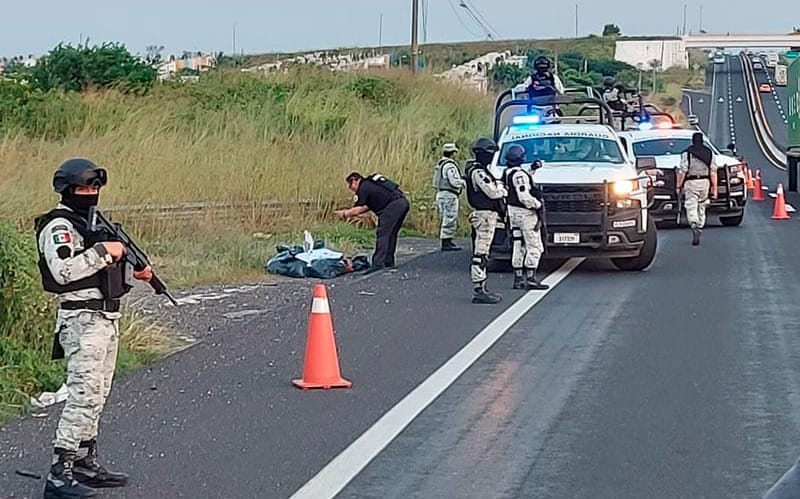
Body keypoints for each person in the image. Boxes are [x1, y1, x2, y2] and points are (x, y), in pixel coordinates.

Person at [34, 158, 153, 499]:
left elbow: (106, 272)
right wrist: (104, 252)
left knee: (98, 394)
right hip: (81, 320)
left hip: (105, 319)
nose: (91, 194)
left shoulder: (92, 223)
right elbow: (63, 272)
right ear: (67, 190)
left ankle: (85, 461)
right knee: (82, 396)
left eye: (95, 188)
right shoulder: (59, 226)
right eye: (84, 188)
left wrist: (134, 269)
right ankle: (59, 473)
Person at [335, 172, 410, 273]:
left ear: (355, 180)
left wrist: (344, 213)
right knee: (391, 233)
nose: (350, 188)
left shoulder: (363, 187)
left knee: (383, 233)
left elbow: (359, 208)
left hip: (392, 206)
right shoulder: (372, 184)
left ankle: (378, 263)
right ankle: (388, 261)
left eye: (350, 184)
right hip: (402, 202)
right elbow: (366, 207)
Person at [465, 138, 507, 304]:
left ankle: (481, 287)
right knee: (481, 253)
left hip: (486, 215)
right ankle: (479, 289)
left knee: (484, 252)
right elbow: (492, 193)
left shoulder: (478, 170)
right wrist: (503, 189)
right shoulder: (479, 172)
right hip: (484, 215)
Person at [502, 145, 549, 291]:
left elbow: (518, 181)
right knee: (534, 246)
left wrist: (532, 169)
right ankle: (531, 277)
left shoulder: (507, 172)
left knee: (518, 243)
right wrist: (537, 205)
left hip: (512, 213)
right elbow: (523, 194)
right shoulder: (520, 175)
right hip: (526, 214)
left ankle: (518, 278)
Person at [676, 132, 718, 246]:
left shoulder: (687, 153)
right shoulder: (710, 153)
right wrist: (714, 189)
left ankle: (693, 223)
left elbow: (683, 170)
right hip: (705, 183)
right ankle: (700, 225)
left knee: (691, 204)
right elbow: (713, 172)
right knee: (702, 205)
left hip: (691, 182)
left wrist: (678, 185)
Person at [432, 143, 466, 251]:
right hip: (449, 195)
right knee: (450, 217)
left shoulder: (440, 164)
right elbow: (454, 181)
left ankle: (446, 241)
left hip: (440, 193)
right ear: (452, 153)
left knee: (444, 217)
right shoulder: (450, 165)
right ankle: (447, 241)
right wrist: (464, 182)